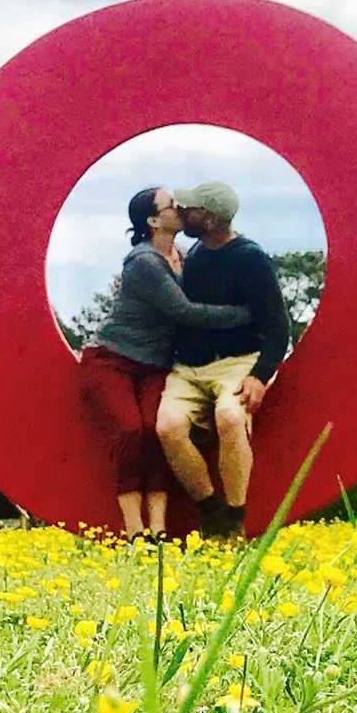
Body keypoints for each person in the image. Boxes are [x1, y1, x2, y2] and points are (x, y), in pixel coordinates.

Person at [77, 187, 249, 540]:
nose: (180, 208)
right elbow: (184, 311)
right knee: (130, 430)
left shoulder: (185, 255)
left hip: (155, 365)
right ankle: (134, 530)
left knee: (159, 432)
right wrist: (243, 315)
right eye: (172, 205)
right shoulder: (144, 262)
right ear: (154, 221)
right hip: (113, 360)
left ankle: (158, 529)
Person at [155, 179, 291, 538]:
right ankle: (210, 509)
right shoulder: (196, 254)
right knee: (168, 427)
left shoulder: (250, 259)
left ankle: (236, 516)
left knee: (230, 416)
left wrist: (260, 376)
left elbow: (279, 326)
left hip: (237, 361)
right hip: (190, 367)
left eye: (191, 209)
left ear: (211, 220)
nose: (182, 212)